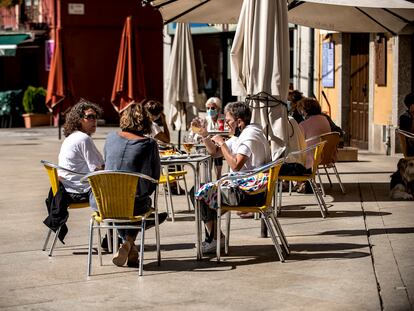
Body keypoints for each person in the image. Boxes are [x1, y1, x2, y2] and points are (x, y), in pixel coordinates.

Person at [193, 101, 272, 253]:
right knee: (201, 192)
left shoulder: (249, 136)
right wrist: (205, 135)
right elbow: (214, 152)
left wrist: (222, 143)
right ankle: (215, 238)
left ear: (239, 121)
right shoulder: (242, 135)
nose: (226, 124)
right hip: (247, 188)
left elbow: (236, 165)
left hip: (249, 193)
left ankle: (216, 239)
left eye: (229, 121)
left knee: (199, 194)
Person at [101, 101, 166, 267]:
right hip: (134, 204)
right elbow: (155, 178)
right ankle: (129, 242)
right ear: (145, 121)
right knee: (140, 203)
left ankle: (129, 248)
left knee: (120, 204)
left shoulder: (110, 138)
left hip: (105, 203)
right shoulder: (149, 144)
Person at [58, 99, 104, 202]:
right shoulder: (83, 139)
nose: (94, 120)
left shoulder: (71, 137)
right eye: (90, 117)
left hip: (66, 188)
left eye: (95, 117)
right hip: (79, 191)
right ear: (78, 119)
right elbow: (96, 170)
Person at [297, 97, 331, 193]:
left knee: (292, 155)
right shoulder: (325, 119)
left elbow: (299, 141)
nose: (301, 112)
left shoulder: (303, 124)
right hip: (326, 154)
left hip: (313, 156)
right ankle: (304, 183)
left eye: (301, 110)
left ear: (305, 110)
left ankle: (300, 183)